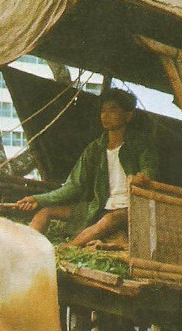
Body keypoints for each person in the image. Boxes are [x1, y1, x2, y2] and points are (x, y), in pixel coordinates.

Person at [15, 88, 158, 247]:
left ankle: (65, 249)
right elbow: (74, 187)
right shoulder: (95, 149)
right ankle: (26, 247)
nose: (105, 115)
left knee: (108, 221)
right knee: (45, 212)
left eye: (113, 109)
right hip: (98, 208)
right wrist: (38, 199)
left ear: (128, 115)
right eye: (103, 110)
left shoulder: (140, 143)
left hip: (129, 210)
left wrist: (143, 177)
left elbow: (148, 170)